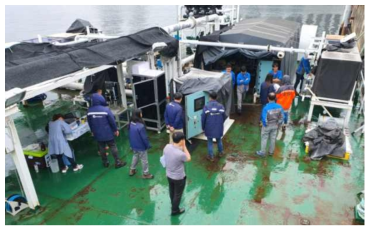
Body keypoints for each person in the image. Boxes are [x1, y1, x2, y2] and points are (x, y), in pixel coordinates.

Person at [87, 93, 126, 169]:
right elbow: (112, 121)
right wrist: (115, 130)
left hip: (97, 134)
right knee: (112, 146)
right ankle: (117, 162)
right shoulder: (106, 110)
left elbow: (90, 123)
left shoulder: (89, 111)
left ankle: (105, 162)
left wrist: (92, 131)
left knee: (101, 147)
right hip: (107, 133)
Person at [163, 132, 191, 216]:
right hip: (178, 178)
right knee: (178, 194)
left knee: (172, 191)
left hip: (169, 175)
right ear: (181, 140)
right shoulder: (180, 154)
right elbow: (189, 158)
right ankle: (175, 210)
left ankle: (173, 204)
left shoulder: (167, 147)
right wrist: (184, 147)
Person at [201, 91, 227, 162]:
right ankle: (221, 152)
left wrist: (203, 127)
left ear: (210, 98)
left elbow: (203, 118)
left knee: (210, 141)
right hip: (218, 126)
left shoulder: (206, 107)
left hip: (209, 127)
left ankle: (211, 156)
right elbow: (224, 116)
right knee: (219, 139)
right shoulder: (221, 106)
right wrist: (220, 122)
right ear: (216, 97)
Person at [256, 92, 284, 157]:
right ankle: (271, 152)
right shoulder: (279, 107)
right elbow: (282, 117)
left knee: (264, 138)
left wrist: (265, 125)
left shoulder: (266, 108)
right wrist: (278, 123)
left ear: (268, 98)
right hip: (275, 125)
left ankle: (262, 152)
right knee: (273, 138)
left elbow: (264, 118)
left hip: (267, 126)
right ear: (275, 98)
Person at [128, 109, 154, 179]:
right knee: (144, 160)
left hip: (134, 145)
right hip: (141, 146)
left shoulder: (131, 123)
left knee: (135, 156)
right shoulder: (141, 126)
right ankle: (146, 174)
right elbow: (144, 138)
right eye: (141, 113)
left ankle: (132, 170)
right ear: (139, 115)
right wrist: (148, 145)